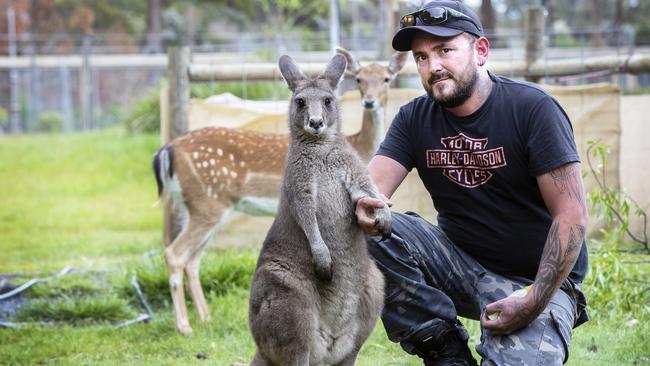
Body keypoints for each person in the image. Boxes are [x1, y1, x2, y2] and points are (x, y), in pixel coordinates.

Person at [355, 1, 589, 365]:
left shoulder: (533, 109)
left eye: (445, 50)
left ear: (480, 51)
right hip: (458, 266)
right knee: (369, 228)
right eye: (421, 57)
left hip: (537, 279)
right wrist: (363, 207)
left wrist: (533, 300)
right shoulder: (414, 118)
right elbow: (369, 193)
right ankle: (444, 349)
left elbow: (572, 216)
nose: (432, 67)